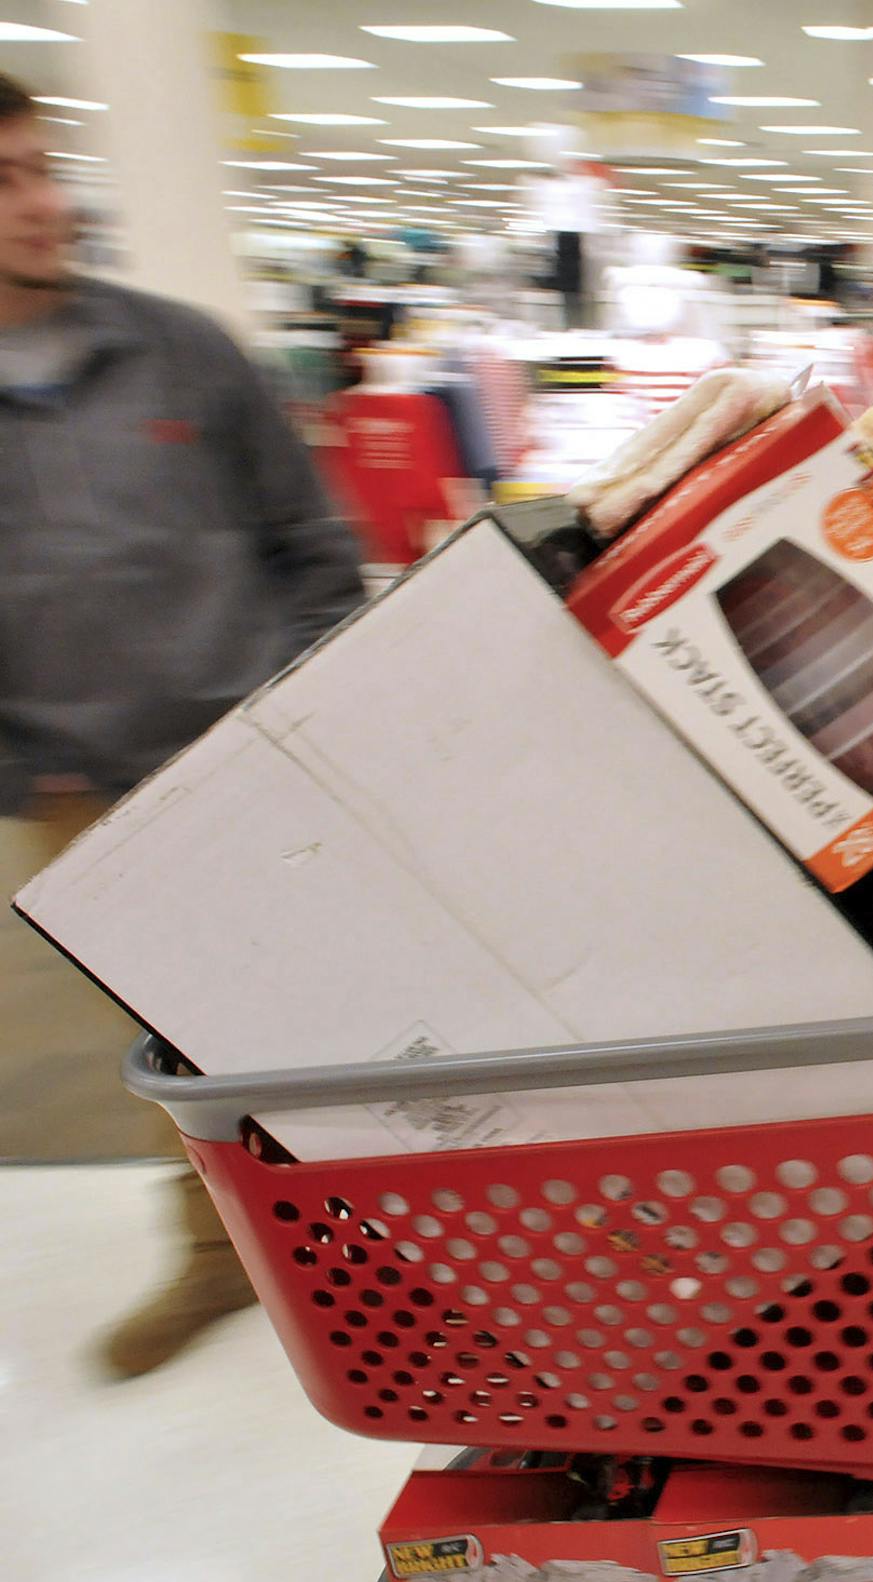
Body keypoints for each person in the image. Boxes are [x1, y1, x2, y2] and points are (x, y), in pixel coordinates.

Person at [0, 73, 365, 1376]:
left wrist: (296, 705)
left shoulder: (182, 352)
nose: (47, 204)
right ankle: (223, 1259)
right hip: (81, 792)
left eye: (43, 167)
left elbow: (312, 544)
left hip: (249, 753)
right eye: (7, 182)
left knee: (352, 1003)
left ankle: (401, 1247)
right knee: (179, 1051)